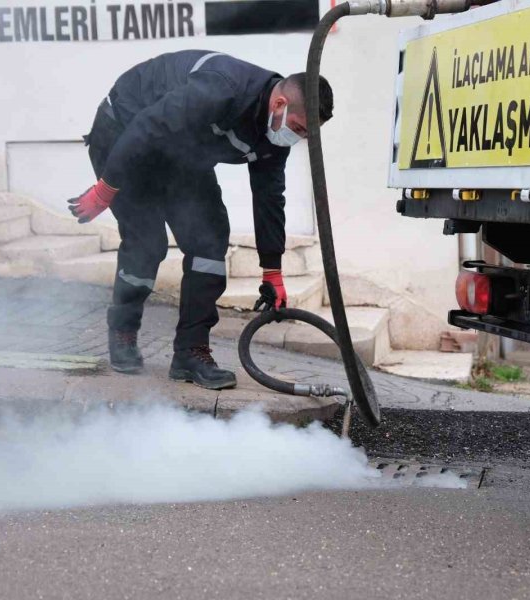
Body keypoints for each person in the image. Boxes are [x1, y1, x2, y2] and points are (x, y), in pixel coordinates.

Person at [68, 50, 334, 390]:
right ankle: (123, 331)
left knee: (209, 238)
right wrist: (105, 190)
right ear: (279, 103)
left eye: (307, 135)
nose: (297, 138)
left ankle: (191, 352)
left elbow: (269, 198)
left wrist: (273, 270)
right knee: (147, 242)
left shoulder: (274, 136)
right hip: (125, 130)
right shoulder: (222, 89)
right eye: (298, 128)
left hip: (180, 151)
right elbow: (148, 128)